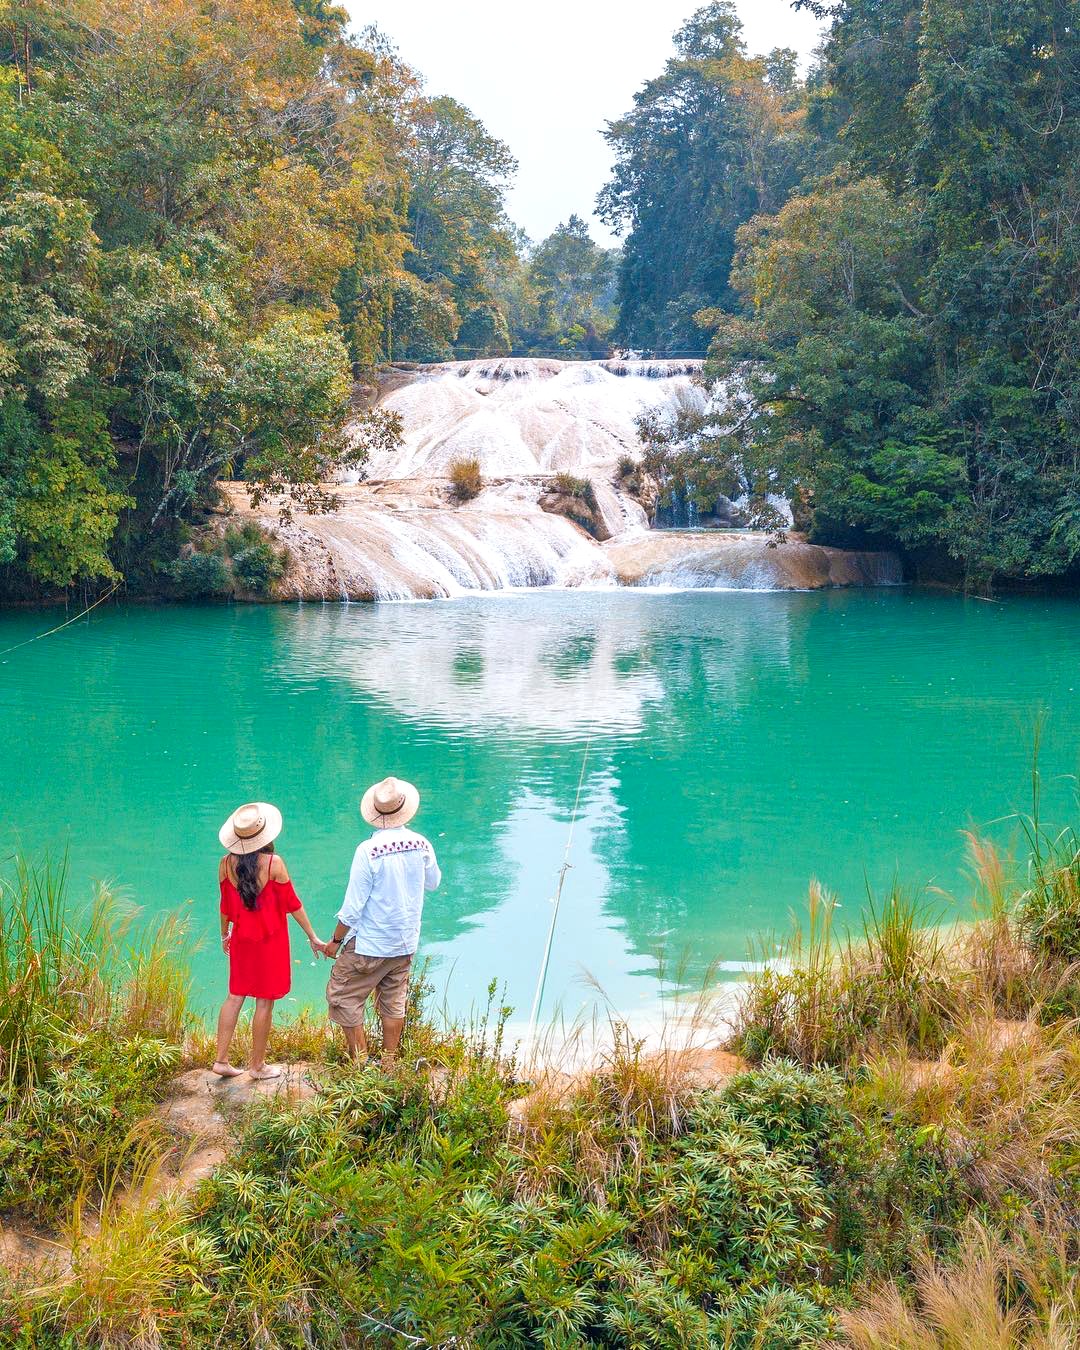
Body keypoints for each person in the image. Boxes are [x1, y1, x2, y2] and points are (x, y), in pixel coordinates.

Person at [323, 776, 441, 1068]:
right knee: (393, 999)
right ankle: (390, 1064)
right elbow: (434, 883)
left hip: (369, 944)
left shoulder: (367, 851)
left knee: (344, 997)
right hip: (404, 941)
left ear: (375, 812)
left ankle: (361, 1064)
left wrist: (334, 942)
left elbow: (352, 908)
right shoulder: (421, 843)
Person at [213, 801, 325, 1080]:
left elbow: (225, 907)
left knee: (234, 996)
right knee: (264, 1002)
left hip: (241, 940)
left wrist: (224, 934)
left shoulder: (225, 864)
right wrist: (312, 936)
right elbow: (293, 904)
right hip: (270, 942)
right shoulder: (274, 863)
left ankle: (221, 1060)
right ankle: (257, 1066)